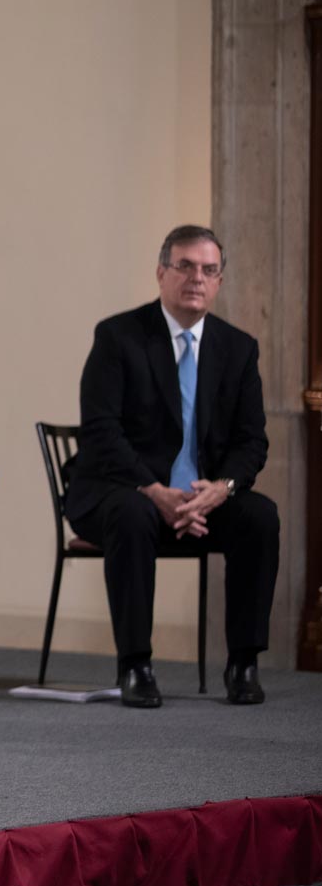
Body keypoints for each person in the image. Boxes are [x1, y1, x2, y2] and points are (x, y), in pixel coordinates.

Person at [65, 225, 277, 709]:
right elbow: (101, 430)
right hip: (120, 491)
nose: (195, 278)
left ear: (220, 280)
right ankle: (136, 665)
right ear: (161, 273)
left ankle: (243, 662)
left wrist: (221, 488)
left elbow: (252, 441)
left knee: (260, 517)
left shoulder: (239, 348)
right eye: (184, 266)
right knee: (133, 514)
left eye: (208, 269)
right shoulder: (118, 336)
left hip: (202, 499)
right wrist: (154, 489)